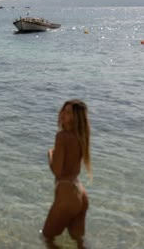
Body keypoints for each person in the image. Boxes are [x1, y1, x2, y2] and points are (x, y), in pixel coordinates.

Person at [42, 99, 92, 249]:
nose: (63, 114)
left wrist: (50, 155)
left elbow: (57, 171)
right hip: (81, 194)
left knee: (47, 238)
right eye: (63, 110)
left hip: (67, 195)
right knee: (79, 243)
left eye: (69, 112)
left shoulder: (62, 136)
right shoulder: (81, 136)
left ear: (76, 118)